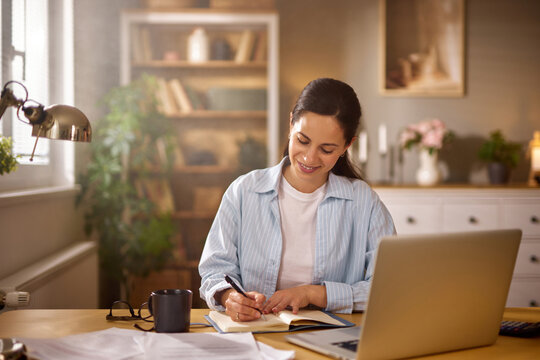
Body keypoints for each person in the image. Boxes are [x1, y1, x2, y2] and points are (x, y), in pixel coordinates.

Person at [199, 78, 395, 322]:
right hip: (256, 333)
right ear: (291, 123)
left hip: (332, 336)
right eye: (303, 140)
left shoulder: (364, 202)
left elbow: (388, 288)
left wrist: (313, 294)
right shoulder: (243, 191)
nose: (309, 158)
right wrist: (230, 298)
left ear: (347, 145)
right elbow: (214, 271)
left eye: (327, 149)